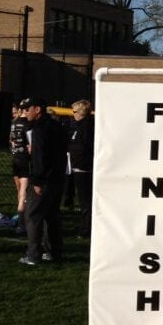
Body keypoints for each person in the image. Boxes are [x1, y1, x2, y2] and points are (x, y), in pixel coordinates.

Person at [19, 98, 67, 266]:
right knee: (52, 216)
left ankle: (33, 255)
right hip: (58, 178)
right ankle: (54, 251)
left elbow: (40, 158)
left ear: (38, 109)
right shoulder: (57, 126)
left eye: (27, 109)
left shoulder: (39, 130)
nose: (25, 112)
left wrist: (37, 181)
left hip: (44, 179)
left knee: (33, 216)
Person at [67, 99, 95, 238]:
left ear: (81, 112)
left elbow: (83, 147)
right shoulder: (79, 126)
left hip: (84, 169)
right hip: (78, 167)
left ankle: (86, 229)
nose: (73, 114)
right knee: (83, 201)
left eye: (75, 112)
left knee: (86, 202)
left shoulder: (86, 127)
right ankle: (85, 227)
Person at [9, 102, 30, 235]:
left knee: (20, 190)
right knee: (24, 192)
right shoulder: (27, 124)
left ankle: (21, 217)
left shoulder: (13, 123)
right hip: (24, 159)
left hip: (15, 157)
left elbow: (11, 140)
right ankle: (22, 223)